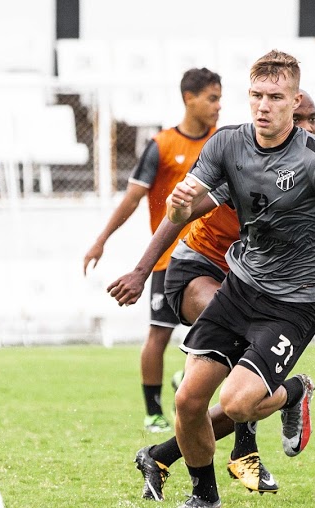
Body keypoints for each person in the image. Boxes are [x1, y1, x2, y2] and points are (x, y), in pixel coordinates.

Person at [107, 90, 315, 500]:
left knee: (240, 391)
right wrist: (140, 270)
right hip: (200, 266)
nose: (308, 127)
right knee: (231, 373)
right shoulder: (244, 158)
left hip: (251, 281)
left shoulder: (311, 163)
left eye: (314, 119)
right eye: (302, 117)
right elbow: (183, 214)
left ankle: (164, 455)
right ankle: (246, 447)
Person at [164, 49, 315, 508]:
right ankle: (204, 497)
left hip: (294, 303)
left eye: (276, 97)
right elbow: (183, 209)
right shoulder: (226, 144)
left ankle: (294, 391)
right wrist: (177, 206)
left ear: (294, 99)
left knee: (238, 404)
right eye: (257, 95)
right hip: (240, 286)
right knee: (187, 399)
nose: (264, 106)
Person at [83, 68, 223, 433]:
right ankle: (153, 411)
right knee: (159, 334)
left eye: (221, 98)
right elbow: (132, 198)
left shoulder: (223, 145)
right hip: (169, 259)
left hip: (215, 256)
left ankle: (188, 377)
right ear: (188, 99)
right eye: (212, 98)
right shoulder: (161, 145)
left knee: (221, 327)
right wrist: (102, 239)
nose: (218, 106)